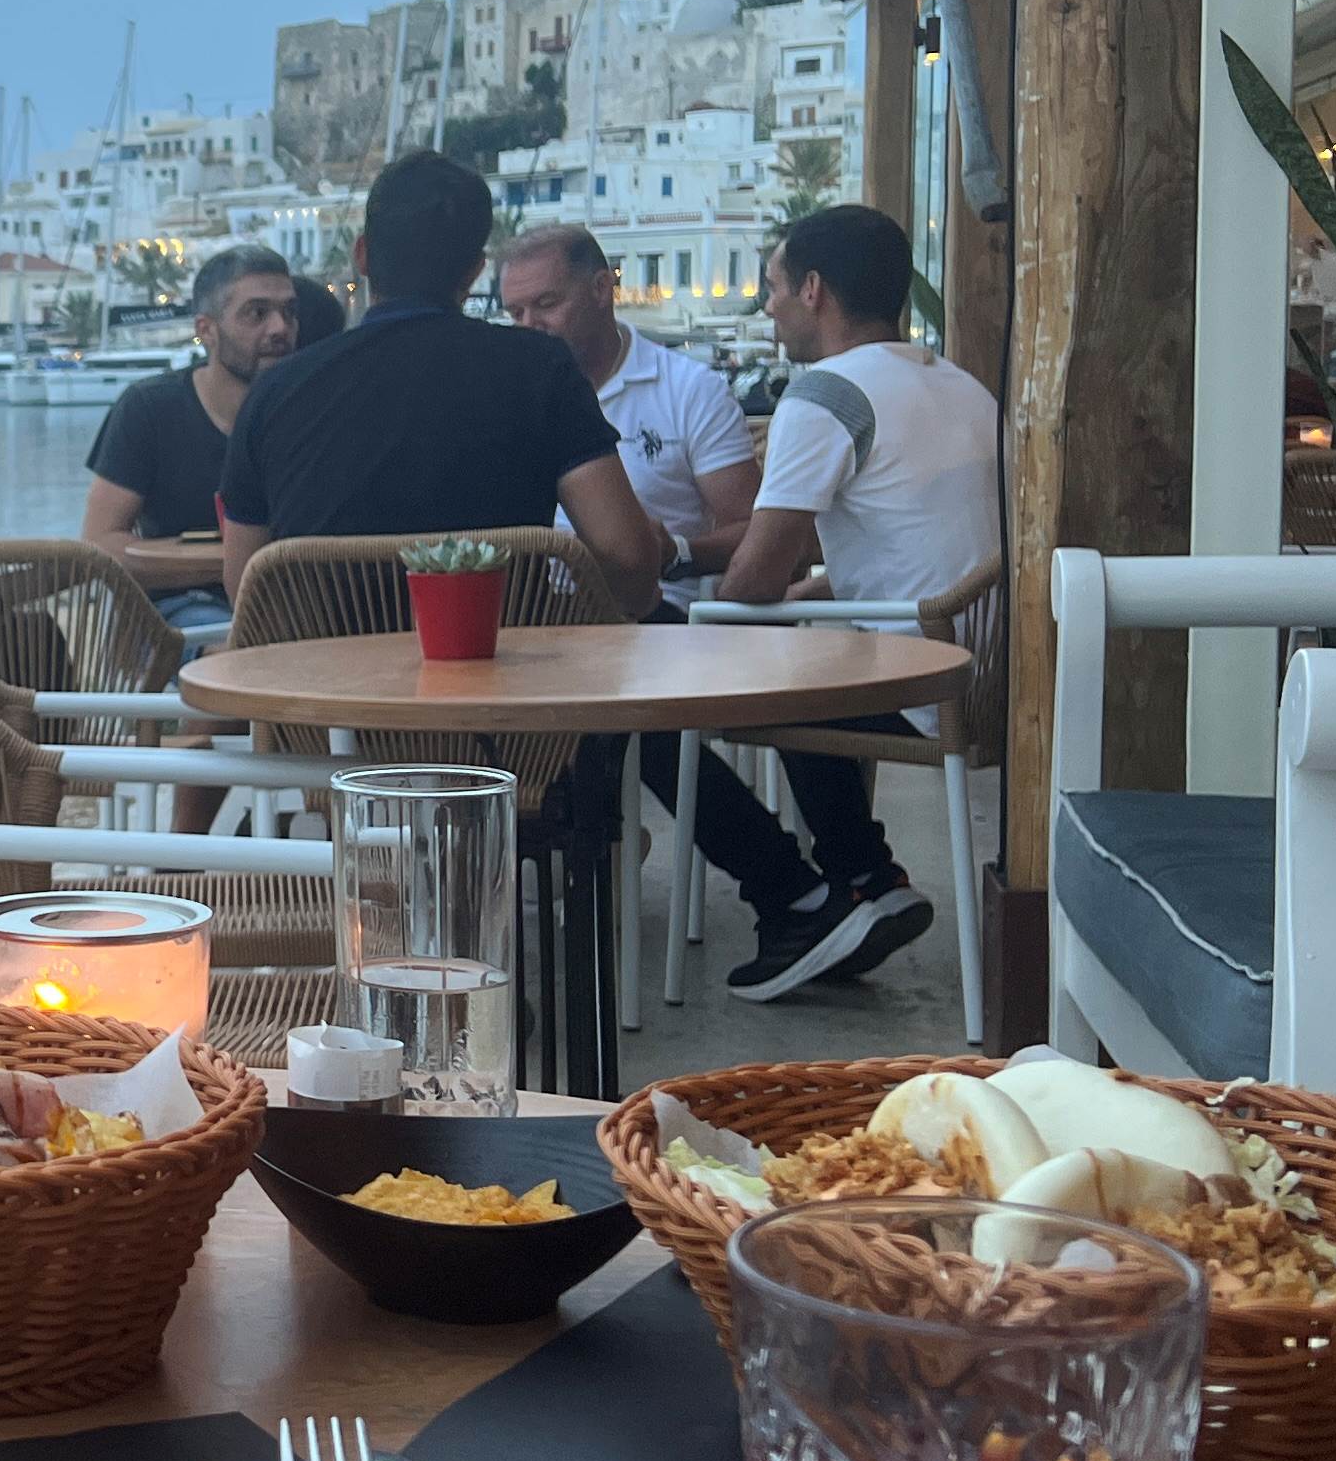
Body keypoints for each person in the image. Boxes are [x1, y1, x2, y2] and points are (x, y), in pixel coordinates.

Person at [678, 199, 1002, 1000]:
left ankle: (854, 882)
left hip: (924, 680)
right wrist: (810, 587)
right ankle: (855, 881)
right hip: (991, 668)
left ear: (814, 289)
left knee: (740, 662)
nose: (769, 306)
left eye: (774, 286)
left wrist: (706, 586)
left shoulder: (824, 394)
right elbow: (911, 546)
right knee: (796, 636)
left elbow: (754, 579)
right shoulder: (956, 384)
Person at [215, 153, 665, 602]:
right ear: (474, 271)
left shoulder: (274, 394)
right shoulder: (540, 369)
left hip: (325, 669)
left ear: (363, 255)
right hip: (500, 665)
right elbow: (627, 561)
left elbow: (245, 591)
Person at [493, 224, 756, 601]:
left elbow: (753, 528)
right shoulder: (506, 396)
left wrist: (677, 553)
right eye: (516, 313)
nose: (530, 327)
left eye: (547, 304)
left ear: (602, 289)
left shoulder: (689, 389)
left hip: (655, 621)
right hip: (534, 617)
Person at [82, 243, 332, 634]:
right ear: (206, 330)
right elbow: (98, 547)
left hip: (295, 608)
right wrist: (234, 561)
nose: (280, 328)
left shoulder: (312, 415)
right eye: (257, 313)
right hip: (186, 610)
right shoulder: (149, 409)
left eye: (289, 311)